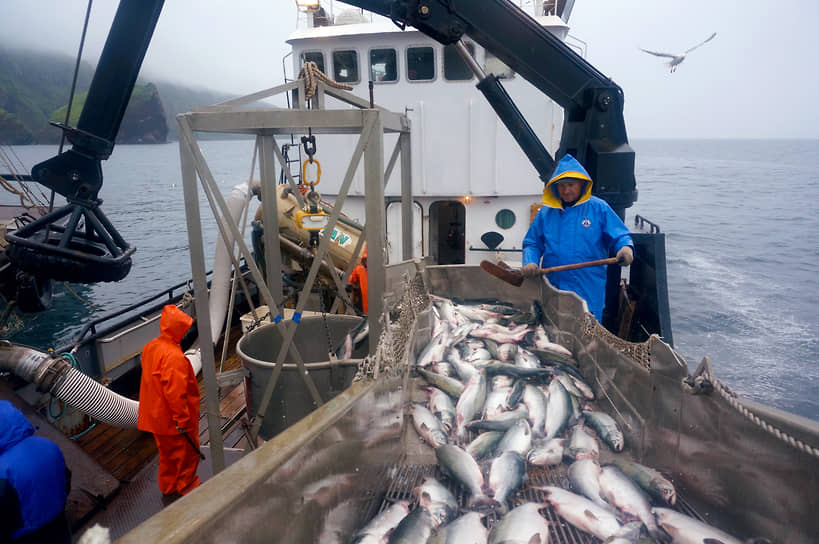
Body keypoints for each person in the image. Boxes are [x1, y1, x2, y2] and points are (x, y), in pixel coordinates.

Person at [522, 154, 634, 321]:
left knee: (587, 335)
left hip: (588, 289)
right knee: (553, 332)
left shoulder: (599, 208)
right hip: (553, 288)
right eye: (561, 186)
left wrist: (625, 248)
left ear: (582, 184)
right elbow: (532, 243)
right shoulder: (546, 213)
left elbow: (620, 236)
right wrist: (530, 261)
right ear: (554, 187)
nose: (566, 190)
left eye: (571, 185)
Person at [138, 304, 200, 504]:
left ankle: (168, 486)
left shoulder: (150, 347)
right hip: (173, 421)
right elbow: (176, 393)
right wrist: (182, 420)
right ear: (178, 329)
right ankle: (185, 485)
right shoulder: (174, 357)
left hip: (155, 418)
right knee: (186, 455)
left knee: (166, 455)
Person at [0, 400, 72, 543]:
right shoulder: (46, 444)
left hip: (27, 536)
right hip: (59, 523)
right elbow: (66, 480)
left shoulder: (3, 472)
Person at [348, 246, 368, 314]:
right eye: (365, 259)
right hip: (366, 305)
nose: (367, 261)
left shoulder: (377, 269)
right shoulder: (359, 269)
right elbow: (352, 279)